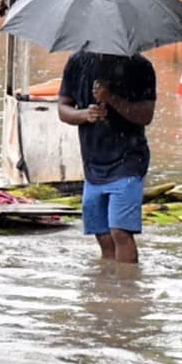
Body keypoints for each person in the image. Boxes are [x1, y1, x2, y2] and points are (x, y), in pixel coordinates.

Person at [57, 51, 156, 264]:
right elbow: (63, 108)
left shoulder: (140, 66)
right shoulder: (77, 62)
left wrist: (111, 98)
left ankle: (127, 290)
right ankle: (110, 287)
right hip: (93, 163)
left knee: (120, 231)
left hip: (128, 160)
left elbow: (146, 115)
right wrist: (84, 114)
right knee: (101, 234)